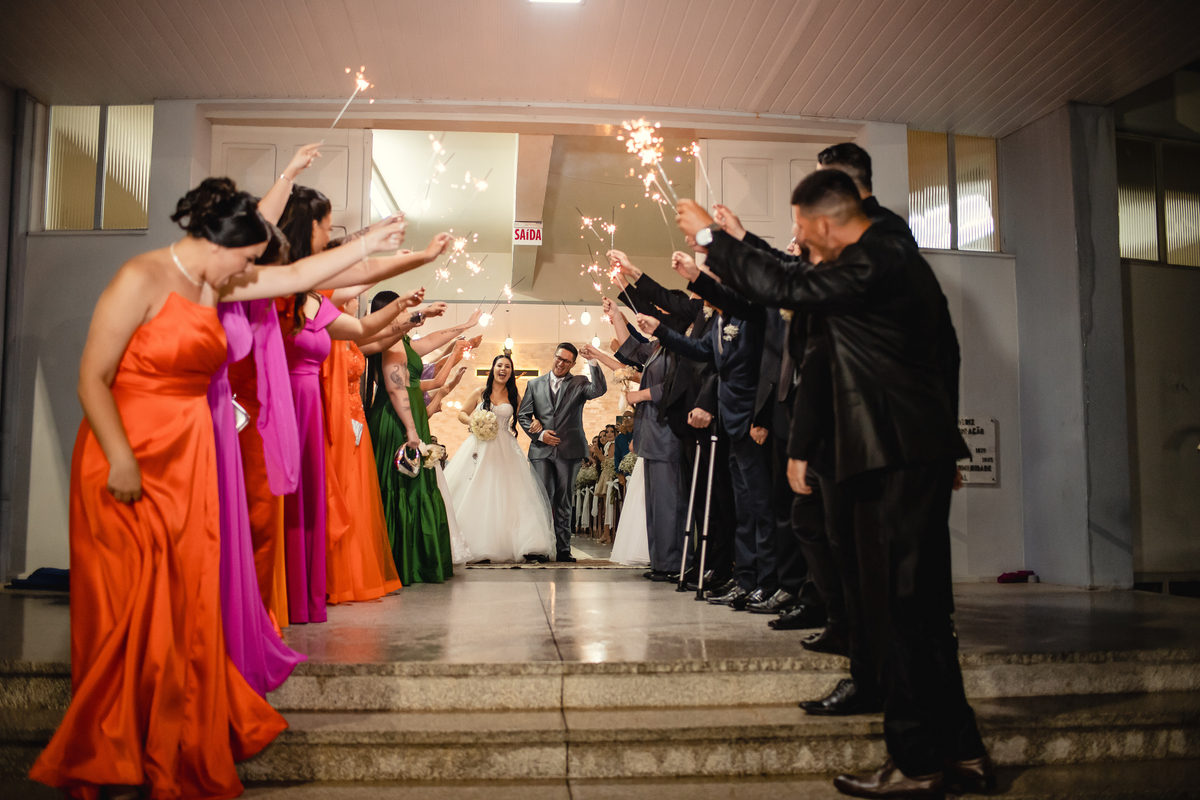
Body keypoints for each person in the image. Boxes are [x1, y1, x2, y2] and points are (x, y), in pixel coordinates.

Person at [30, 178, 403, 799]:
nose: (249, 269)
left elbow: (298, 276)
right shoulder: (140, 278)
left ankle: (169, 744)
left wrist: (371, 243)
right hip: (125, 455)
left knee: (183, 606)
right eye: (247, 255)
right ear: (219, 241)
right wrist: (120, 459)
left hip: (191, 459)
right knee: (127, 607)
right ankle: (115, 745)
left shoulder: (221, 282)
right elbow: (92, 377)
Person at [680, 169, 989, 798]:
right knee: (920, 610)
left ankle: (917, 761)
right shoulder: (882, 261)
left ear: (824, 222)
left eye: (800, 227)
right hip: (903, 450)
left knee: (897, 611)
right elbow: (796, 284)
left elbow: (791, 284)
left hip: (888, 454)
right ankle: (961, 751)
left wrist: (714, 238)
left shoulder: (878, 259)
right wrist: (740, 241)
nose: (798, 239)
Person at [634, 257, 776, 608]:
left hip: (748, 420)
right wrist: (660, 329)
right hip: (729, 422)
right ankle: (744, 579)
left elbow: (765, 369)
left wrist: (760, 417)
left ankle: (767, 581)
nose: (699, 294)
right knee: (742, 507)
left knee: (758, 506)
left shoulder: (751, 316)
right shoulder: (721, 322)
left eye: (708, 283)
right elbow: (700, 350)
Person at [367, 292, 480, 584]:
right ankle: (402, 562)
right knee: (402, 486)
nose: (406, 312)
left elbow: (432, 339)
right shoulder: (390, 342)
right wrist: (411, 429)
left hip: (410, 416)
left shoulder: (402, 341)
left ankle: (414, 559)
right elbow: (395, 389)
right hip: (397, 420)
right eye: (401, 308)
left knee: (416, 485)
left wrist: (466, 325)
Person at [443, 353, 557, 562]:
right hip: (479, 445)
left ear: (511, 372)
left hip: (505, 447)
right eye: (499, 365)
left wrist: (537, 422)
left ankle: (528, 543)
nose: (503, 369)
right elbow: (462, 413)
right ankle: (477, 544)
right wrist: (473, 421)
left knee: (513, 493)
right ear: (493, 369)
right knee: (479, 489)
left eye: (507, 367)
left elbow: (526, 416)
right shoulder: (480, 392)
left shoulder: (514, 396)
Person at [517, 342, 608, 562]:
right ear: (554, 356)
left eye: (567, 361)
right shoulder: (534, 384)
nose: (561, 363)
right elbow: (523, 415)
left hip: (569, 450)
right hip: (541, 450)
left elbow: (599, 390)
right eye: (559, 358)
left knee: (564, 500)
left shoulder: (580, 383)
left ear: (573, 364)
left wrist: (593, 361)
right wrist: (540, 435)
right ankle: (540, 547)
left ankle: (563, 549)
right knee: (541, 499)